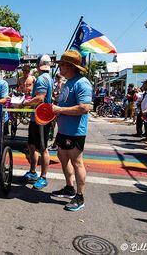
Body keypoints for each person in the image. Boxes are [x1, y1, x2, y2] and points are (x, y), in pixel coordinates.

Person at [51, 50, 92, 212]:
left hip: (75, 131)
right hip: (63, 130)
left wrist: (59, 109)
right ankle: (69, 188)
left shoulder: (82, 83)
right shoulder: (68, 82)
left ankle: (80, 196)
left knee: (76, 162)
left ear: (70, 66)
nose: (59, 68)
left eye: (61, 65)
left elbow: (84, 108)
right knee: (62, 157)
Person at [21, 54, 54, 189]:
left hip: (41, 118)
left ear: (38, 65)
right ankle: (33, 172)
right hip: (38, 117)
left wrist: (26, 102)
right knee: (31, 145)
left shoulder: (41, 79)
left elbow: (40, 98)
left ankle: (43, 176)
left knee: (42, 148)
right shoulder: (48, 78)